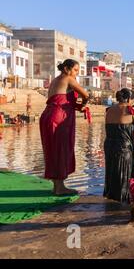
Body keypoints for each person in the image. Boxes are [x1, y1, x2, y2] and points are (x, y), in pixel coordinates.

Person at [40, 59, 90, 196]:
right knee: (61, 149)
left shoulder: (56, 80)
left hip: (48, 115)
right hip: (59, 117)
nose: (76, 74)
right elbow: (85, 95)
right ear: (67, 69)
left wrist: (76, 106)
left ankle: (57, 187)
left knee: (52, 149)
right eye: (75, 70)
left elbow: (60, 98)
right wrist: (84, 104)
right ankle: (60, 187)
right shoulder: (68, 79)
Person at [104, 88, 134, 203]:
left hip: (109, 146)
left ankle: (111, 197)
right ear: (129, 99)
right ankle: (122, 200)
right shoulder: (130, 111)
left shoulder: (109, 110)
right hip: (123, 148)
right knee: (124, 176)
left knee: (112, 173)